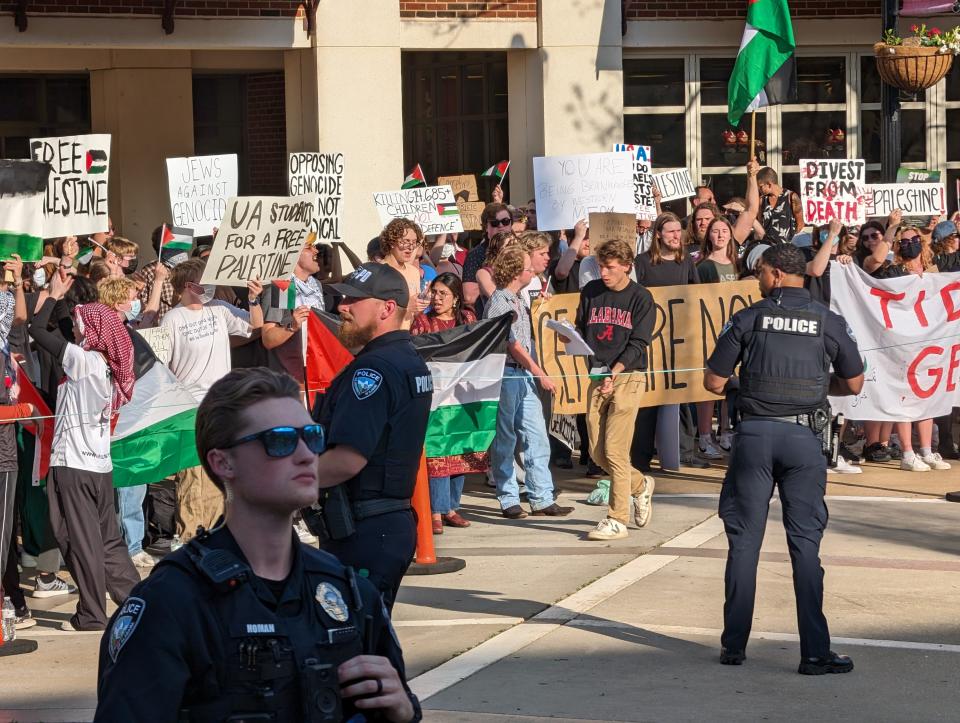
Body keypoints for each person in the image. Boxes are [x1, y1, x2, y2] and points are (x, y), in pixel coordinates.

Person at [95, 367, 421, 723]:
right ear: (223, 462)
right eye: (279, 440)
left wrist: (402, 712)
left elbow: (392, 701)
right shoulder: (171, 604)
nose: (305, 454)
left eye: (312, 437)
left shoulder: (346, 592)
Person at [703, 244, 864, 674]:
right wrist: (813, 388)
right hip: (803, 438)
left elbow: (715, 381)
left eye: (760, 272)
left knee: (744, 543)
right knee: (805, 546)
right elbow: (854, 382)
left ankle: (733, 647)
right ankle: (814, 653)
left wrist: (749, 385)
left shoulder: (748, 318)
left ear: (775, 275)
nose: (758, 278)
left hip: (754, 436)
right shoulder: (827, 321)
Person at [307, 263, 432, 612]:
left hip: (365, 528)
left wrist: (281, 484)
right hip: (381, 525)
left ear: (386, 308)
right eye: (343, 298)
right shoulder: (406, 360)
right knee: (369, 646)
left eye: (353, 300)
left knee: (351, 648)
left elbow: (348, 459)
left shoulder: (373, 370)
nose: (342, 307)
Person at [28, 268, 141, 631]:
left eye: (79, 325)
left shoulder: (82, 360)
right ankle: (139, 601)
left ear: (92, 332)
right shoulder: (110, 366)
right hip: (100, 465)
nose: (75, 329)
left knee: (76, 538)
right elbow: (59, 332)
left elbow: (37, 331)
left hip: (72, 464)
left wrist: (54, 293)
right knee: (108, 540)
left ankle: (91, 614)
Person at [162, 260, 264, 545]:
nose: (207, 287)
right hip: (189, 405)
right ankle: (189, 536)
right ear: (186, 286)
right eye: (201, 282)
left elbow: (254, 326)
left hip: (222, 403)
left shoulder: (220, 309)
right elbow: (164, 362)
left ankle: (220, 531)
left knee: (222, 471)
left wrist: (254, 299)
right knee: (194, 474)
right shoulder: (173, 318)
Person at [574, 239, 656, 541]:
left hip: (628, 376)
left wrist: (615, 371)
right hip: (597, 375)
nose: (604, 273)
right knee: (596, 451)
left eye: (610, 267)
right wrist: (568, 339)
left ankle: (616, 518)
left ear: (626, 266)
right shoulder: (591, 292)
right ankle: (639, 486)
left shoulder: (641, 298)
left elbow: (639, 343)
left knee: (616, 450)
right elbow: (581, 329)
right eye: (601, 267)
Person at [483, 246, 573, 520]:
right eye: (526, 267)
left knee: (536, 435)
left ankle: (542, 496)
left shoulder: (518, 299)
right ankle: (508, 497)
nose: (531, 270)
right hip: (507, 374)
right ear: (515, 272)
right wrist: (537, 370)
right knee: (506, 438)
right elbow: (510, 343)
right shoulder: (500, 301)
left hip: (521, 376)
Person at [411, 273, 477, 534]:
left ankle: (451, 507)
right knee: (438, 451)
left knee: (459, 449)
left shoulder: (467, 319)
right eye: (434, 292)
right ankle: (435, 510)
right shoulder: (423, 321)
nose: (437, 299)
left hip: (461, 394)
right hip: (434, 397)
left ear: (456, 298)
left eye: (443, 294)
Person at [260, 239, 326, 386]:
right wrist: (292, 327)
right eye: (309, 247)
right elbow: (268, 338)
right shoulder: (284, 287)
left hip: (316, 375)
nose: (316, 251)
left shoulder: (316, 285)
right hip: (290, 382)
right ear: (293, 253)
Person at [379, 219, 431, 329]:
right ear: (392, 242)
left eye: (414, 242)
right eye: (406, 241)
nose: (410, 247)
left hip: (407, 335)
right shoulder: (378, 272)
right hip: (385, 337)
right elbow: (374, 313)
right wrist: (407, 307)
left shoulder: (413, 272)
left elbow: (413, 313)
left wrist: (422, 302)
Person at [463, 202, 513, 310]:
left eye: (505, 221)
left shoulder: (521, 251)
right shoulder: (476, 254)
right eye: (495, 223)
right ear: (486, 228)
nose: (501, 226)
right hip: (490, 316)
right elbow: (469, 297)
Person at [756, 166, 804, 244]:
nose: (759, 189)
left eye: (761, 186)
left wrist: (791, 242)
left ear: (769, 184)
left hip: (786, 248)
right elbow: (760, 224)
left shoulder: (791, 197)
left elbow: (800, 224)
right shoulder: (762, 200)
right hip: (767, 247)